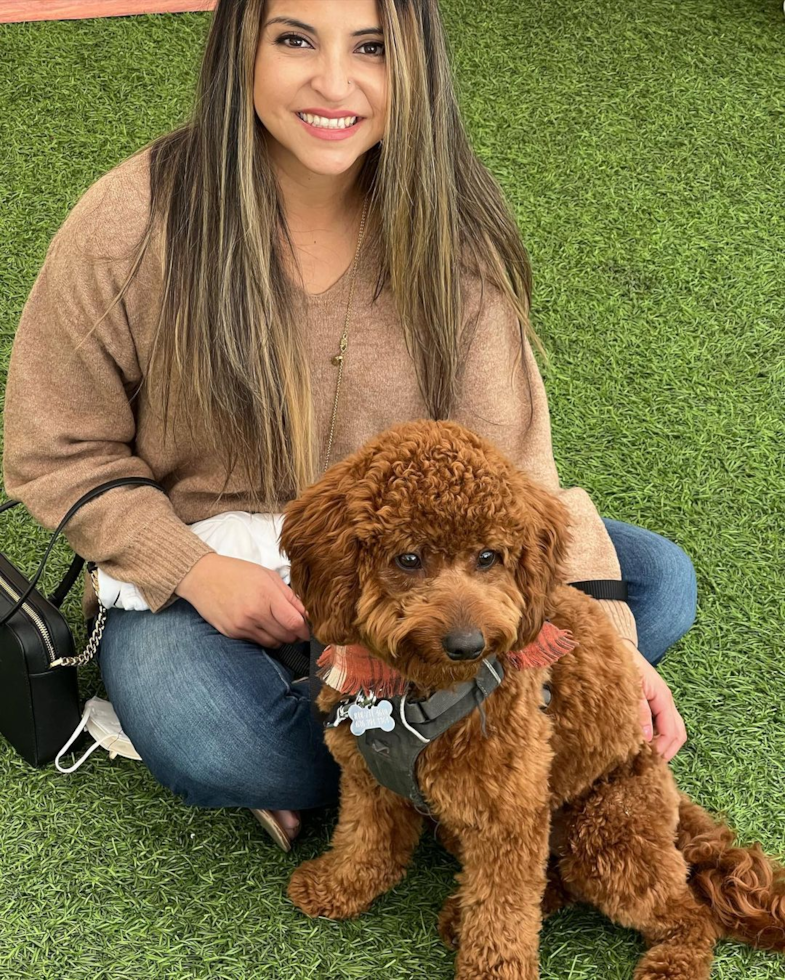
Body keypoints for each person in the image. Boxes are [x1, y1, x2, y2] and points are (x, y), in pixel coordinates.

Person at [2, 0, 695, 851]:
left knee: (655, 582)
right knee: (221, 743)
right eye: (295, 39)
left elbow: (517, 475)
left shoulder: (453, 235)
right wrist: (191, 570)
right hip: (202, 577)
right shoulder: (129, 221)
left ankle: (388, 736)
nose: (334, 82)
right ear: (240, 52)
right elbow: (54, 448)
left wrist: (609, 648)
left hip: (402, 567)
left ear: (415, 66)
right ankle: (415, 738)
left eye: (371, 47)